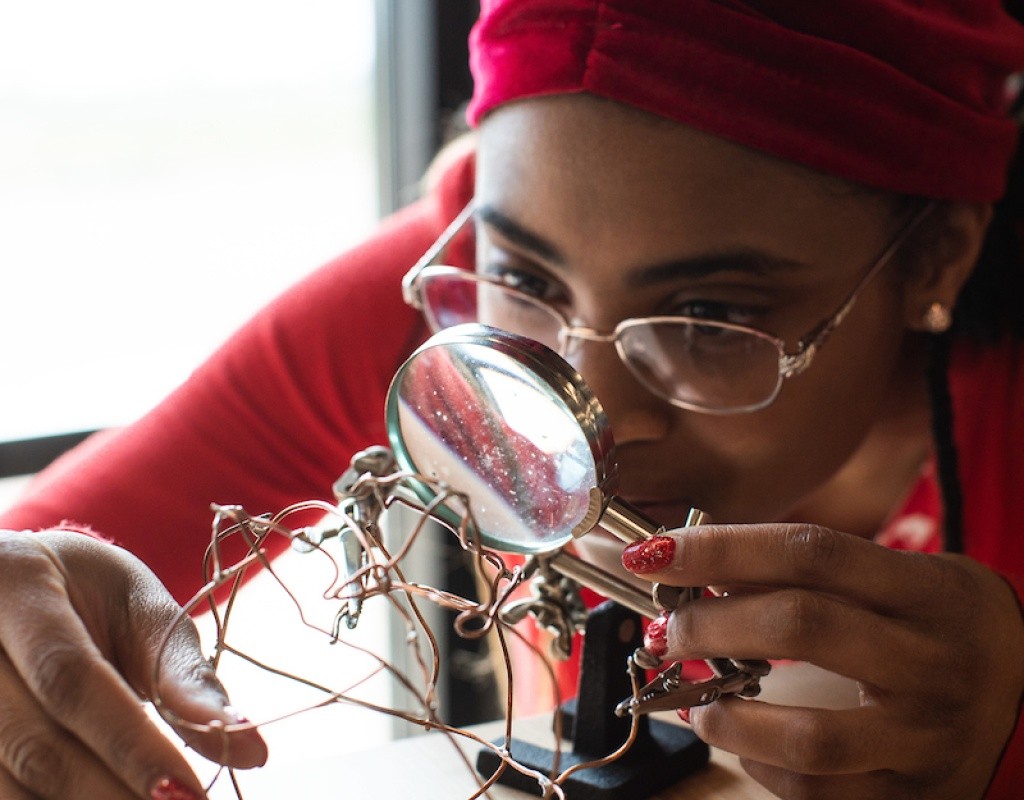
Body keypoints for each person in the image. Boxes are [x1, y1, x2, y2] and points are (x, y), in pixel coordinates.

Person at [1, 0, 1023, 798]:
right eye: (527, 280)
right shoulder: (430, 318)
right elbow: (29, 567)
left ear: (937, 253)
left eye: (710, 314)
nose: (597, 419)